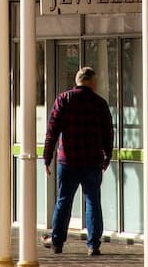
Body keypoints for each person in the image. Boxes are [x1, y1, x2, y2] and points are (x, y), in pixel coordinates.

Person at [42, 65, 114, 256]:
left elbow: (52, 131)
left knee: (63, 201)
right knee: (93, 201)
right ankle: (93, 244)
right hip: (92, 161)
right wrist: (107, 156)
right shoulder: (99, 104)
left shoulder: (63, 100)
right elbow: (108, 133)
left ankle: (57, 242)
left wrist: (47, 158)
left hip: (68, 161)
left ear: (77, 80)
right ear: (91, 81)